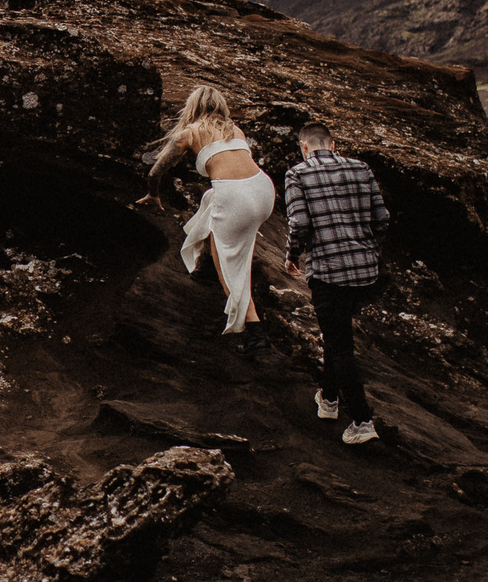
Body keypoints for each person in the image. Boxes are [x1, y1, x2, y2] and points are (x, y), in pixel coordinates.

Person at [139, 84, 277, 338]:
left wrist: (153, 194)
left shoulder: (188, 133)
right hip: (263, 190)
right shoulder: (235, 130)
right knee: (212, 200)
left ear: (192, 107)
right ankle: (206, 266)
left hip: (235, 196)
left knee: (227, 261)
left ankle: (254, 331)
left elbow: (155, 172)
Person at [282, 122, 389, 447]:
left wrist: (292, 255)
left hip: (329, 273)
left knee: (341, 345)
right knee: (337, 333)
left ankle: (362, 422)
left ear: (304, 147)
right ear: (333, 143)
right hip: (364, 272)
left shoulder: (297, 174)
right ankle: (328, 400)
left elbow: (300, 223)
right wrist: (370, 249)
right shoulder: (361, 168)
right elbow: (382, 218)